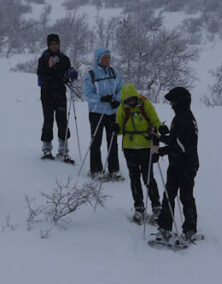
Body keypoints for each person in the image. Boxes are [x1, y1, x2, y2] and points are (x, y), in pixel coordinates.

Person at [153, 86, 199, 241]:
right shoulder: (180, 117)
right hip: (176, 163)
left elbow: (181, 147)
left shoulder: (185, 119)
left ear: (180, 102)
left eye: (172, 102)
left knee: (186, 196)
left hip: (186, 164)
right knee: (169, 194)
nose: (171, 105)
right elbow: (175, 139)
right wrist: (159, 137)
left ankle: (189, 229)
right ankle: (165, 227)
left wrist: (160, 151)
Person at [115, 84, 163, 223]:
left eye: (132, 99)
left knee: (148, 177)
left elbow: (154, 119)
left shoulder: (145, 104)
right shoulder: (122, 108)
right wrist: (116, 128)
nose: (130, 102)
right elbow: (119, 128)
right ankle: (139, 207)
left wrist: (160, 128)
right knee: (134, 177)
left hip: (145, 145)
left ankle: (156, 206)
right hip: (129, 147)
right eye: (127, 100)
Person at [83, 47, 123, 180]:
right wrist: (101, 98)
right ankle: (96, 170)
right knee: (96, 141)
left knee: (112, 140)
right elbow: (88, 95)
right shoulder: (91, 75)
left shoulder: (114, 72)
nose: (107, 60)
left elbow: (120, 88)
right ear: (98, 59)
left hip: (111, 112)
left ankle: (114, 170)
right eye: (104, 58)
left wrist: (117, 100)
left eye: (108, 57)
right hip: (96, 113)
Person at [35, 33, 76, 160]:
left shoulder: (64, 58)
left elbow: (67, 75)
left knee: (62, 121)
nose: (54, 46)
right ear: (48, 45)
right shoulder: (43, 58)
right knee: (48, 120)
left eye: (56, 44)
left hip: (60, 93)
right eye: (52, 44)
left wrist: (71, 74)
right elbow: (40, 73)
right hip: (47, 93)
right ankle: (47, 149)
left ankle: (63, 150)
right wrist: (50, 67)